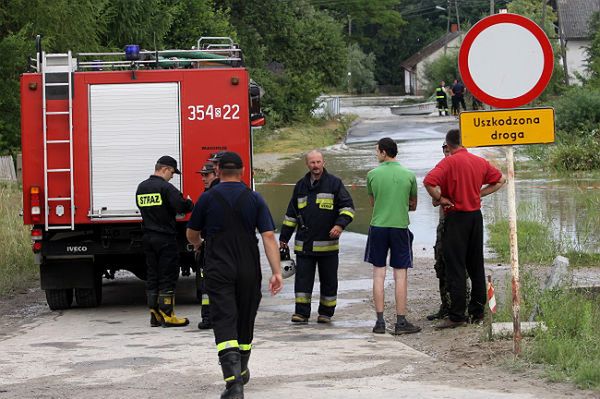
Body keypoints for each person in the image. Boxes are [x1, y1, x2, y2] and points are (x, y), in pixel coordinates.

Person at [186, 151, 283, 399]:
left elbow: (191, 233)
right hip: (249, 267)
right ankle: (242, 368)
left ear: (218, 171)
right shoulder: (254, 198)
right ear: (242, 172)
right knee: (245, 317)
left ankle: (234, 383)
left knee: (224, 319)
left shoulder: (207, 199)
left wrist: (198, 243)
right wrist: (276, 272)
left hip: (219, 267)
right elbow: (269, 236)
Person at [424, 129, 506, 329]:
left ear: (448, 144)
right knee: (476, 265)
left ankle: (457, 316)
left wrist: (441, 198)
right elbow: (501, 180)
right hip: (475, 217)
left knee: (456, 266)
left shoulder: (449, 162)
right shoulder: (478, 161)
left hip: (456, 217)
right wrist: (479, 194)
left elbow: (428, 182)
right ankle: (477, 313)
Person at [279, 150, 354, 324]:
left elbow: (348, 208)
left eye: (318, 162)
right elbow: (291, 215)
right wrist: (284, 238)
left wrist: (339, 225)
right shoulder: (300, 186)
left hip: (328, 245)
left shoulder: (334, 184)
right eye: (312, 163)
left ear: (323, 162)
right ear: (307, 164)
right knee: (303, 282)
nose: (316, 166)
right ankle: (301, 313)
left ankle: (326, 313)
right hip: (304, 244)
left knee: (329, 281)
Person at [365, 138, 421, 335]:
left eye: (377, 151)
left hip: (378, 226)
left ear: (383, 152)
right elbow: (413, 203)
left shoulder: (372, 174)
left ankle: (380, 322)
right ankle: (401, 322)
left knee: (378, 274)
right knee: (400, 274)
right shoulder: (409, 175)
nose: (376, 155)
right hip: (399, 227)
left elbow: (373, 201)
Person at [135, 155, 194, 327]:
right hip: (165, 238)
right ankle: (168, 314)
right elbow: (181, 207)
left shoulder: (141, 187)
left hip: (148, 237)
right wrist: (189, 203)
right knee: (167, 274)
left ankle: (154, 314)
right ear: (166, 169)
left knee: (152, 275)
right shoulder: (166, 188)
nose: (172, 177)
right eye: (173, 173)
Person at [427, 142, 451, 321]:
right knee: (441, 264)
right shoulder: (441, 169)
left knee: (460, 266)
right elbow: (435, 196)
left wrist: (440, 198)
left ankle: (461, 306)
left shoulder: (461, 167)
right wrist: (440, 198)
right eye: (444, 149)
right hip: (443, 221)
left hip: (458, 220)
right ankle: (446, 305)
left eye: (449, 149)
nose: (446, 152)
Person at [195, 161, 218, 330]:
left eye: (206, 175)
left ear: (216, 174)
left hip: (215, 246)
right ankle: (208, 317)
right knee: (206, 284)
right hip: (208, 244)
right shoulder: (207, 193)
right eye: (202, 175)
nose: (203, 178)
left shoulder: (213, 195)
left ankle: (212, 317)